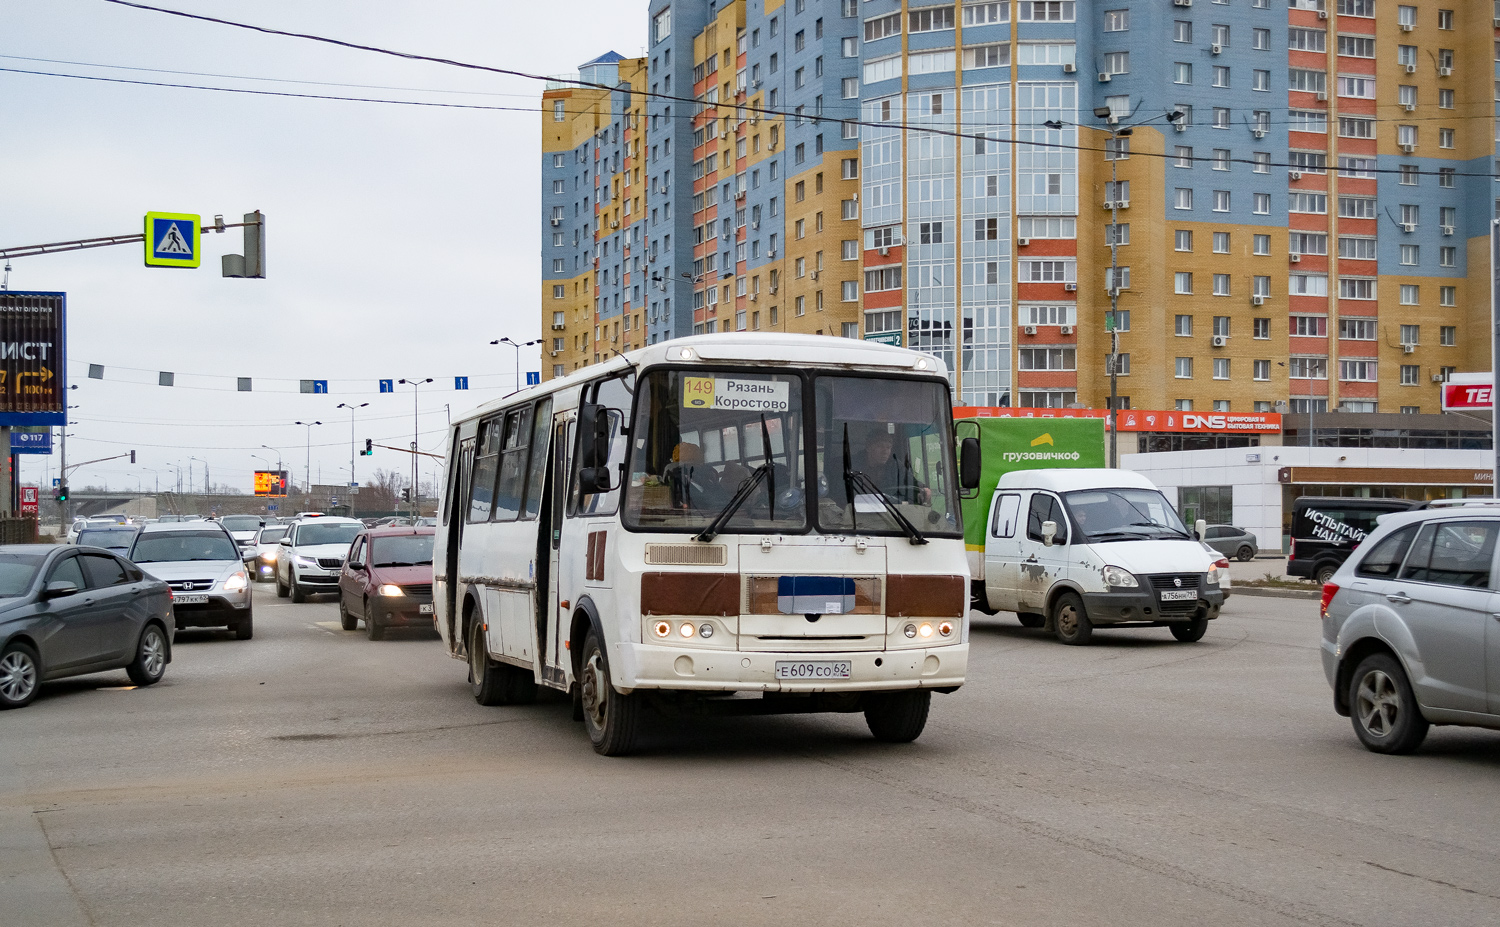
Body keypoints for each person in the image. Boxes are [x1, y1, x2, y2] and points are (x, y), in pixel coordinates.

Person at [851, 424, 930, 505]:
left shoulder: (895, 466)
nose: (885, 451)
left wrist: (922, 489)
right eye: (880, 446)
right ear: (868, 447)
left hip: (890, 515)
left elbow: (911, 483)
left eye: (888, 447)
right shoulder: (851, 465)